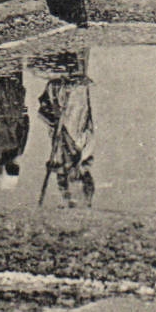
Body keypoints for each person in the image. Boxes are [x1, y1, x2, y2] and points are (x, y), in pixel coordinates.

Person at [34, 48, 94, 208]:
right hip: (73, 123)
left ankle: (64, 57)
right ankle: (75, 57)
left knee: (58, 98)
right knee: (73, 95)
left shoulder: (63, 167)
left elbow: (59, 169)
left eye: (72, 179)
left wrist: (56, 167)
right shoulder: (84, 151)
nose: (73, 177)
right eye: (76, 178)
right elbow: (81, 115)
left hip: (63, 126)